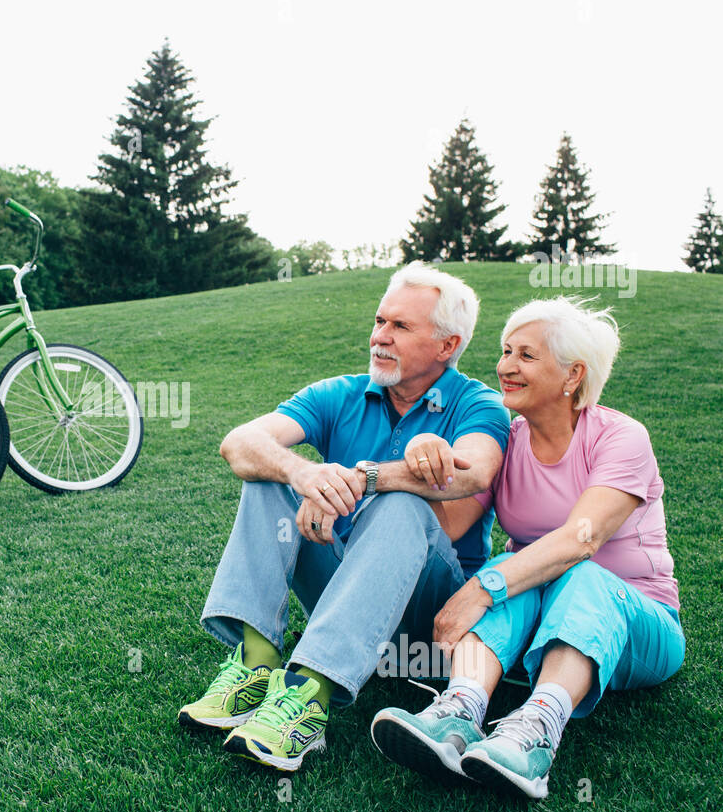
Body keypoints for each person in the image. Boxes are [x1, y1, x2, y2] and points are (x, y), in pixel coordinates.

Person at [178, 262, 511, 771]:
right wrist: (303, 473)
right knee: (268, 475)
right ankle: (256, 665)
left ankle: (307, 700)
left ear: (447, 346)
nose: (380, 336)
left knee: (402, 504)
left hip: (426, 620)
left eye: (401, 327)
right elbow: (239, 443)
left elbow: (473, 473)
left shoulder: (478, 403)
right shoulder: (340, 392)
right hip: (342, 595)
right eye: (380, 321)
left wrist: (364, 478)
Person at [370, 296, 684, 799]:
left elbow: (582, 540)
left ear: (572, 375)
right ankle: (459, 710)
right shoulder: (509, 441)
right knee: (510, 564)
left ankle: (536, 733)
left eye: (526, 356)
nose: (506, 367)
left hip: (639, 624)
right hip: (538, 623)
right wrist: (415, 464)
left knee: (561, 571)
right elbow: (444, 527)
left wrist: (480, 590)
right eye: (505, 351)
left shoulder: (621, 437)